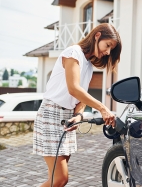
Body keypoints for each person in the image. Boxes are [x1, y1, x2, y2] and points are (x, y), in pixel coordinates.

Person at [32, 23, 122, 187]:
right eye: (107, 45)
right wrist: (102, 108)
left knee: (56, 180)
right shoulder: (73, 53)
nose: (108, 52)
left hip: (68, 118)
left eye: (110, 49)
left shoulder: (88, 65)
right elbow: (73, 89)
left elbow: (80, 98)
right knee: (60, 179)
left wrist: (78, 115)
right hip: (51, 114)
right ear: (97, 36)